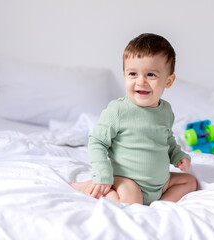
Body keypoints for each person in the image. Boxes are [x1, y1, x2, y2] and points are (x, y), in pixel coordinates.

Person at [70, 33, 197, 205]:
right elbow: (97, 142)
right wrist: (103, 174)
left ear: (168, 81)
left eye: (151, 74)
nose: (141, 81)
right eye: (133, 74)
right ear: (124, 75)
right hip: (127, 180)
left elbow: (167, 139)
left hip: (159, 183)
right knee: (132, 200)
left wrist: (177, 155)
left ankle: (160, 206)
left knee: (189, 181)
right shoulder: (119, 110)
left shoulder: (166, 111)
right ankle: (91, 187)